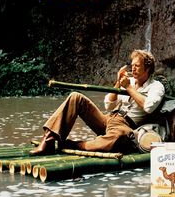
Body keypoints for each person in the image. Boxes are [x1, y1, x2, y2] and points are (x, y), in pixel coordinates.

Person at [30, 49, 165, 155]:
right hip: (109, 118)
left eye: (137, 66)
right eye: (132, 65)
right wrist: (118, 83)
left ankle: (75, 145)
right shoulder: (129, 81)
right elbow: (109, 105)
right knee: (76, 96)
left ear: (147, 69)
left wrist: (128, 88)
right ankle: (48, 140)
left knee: (119, 138)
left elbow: (149, 107)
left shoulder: (156, 86)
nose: (133, 68)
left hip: (125, 125)